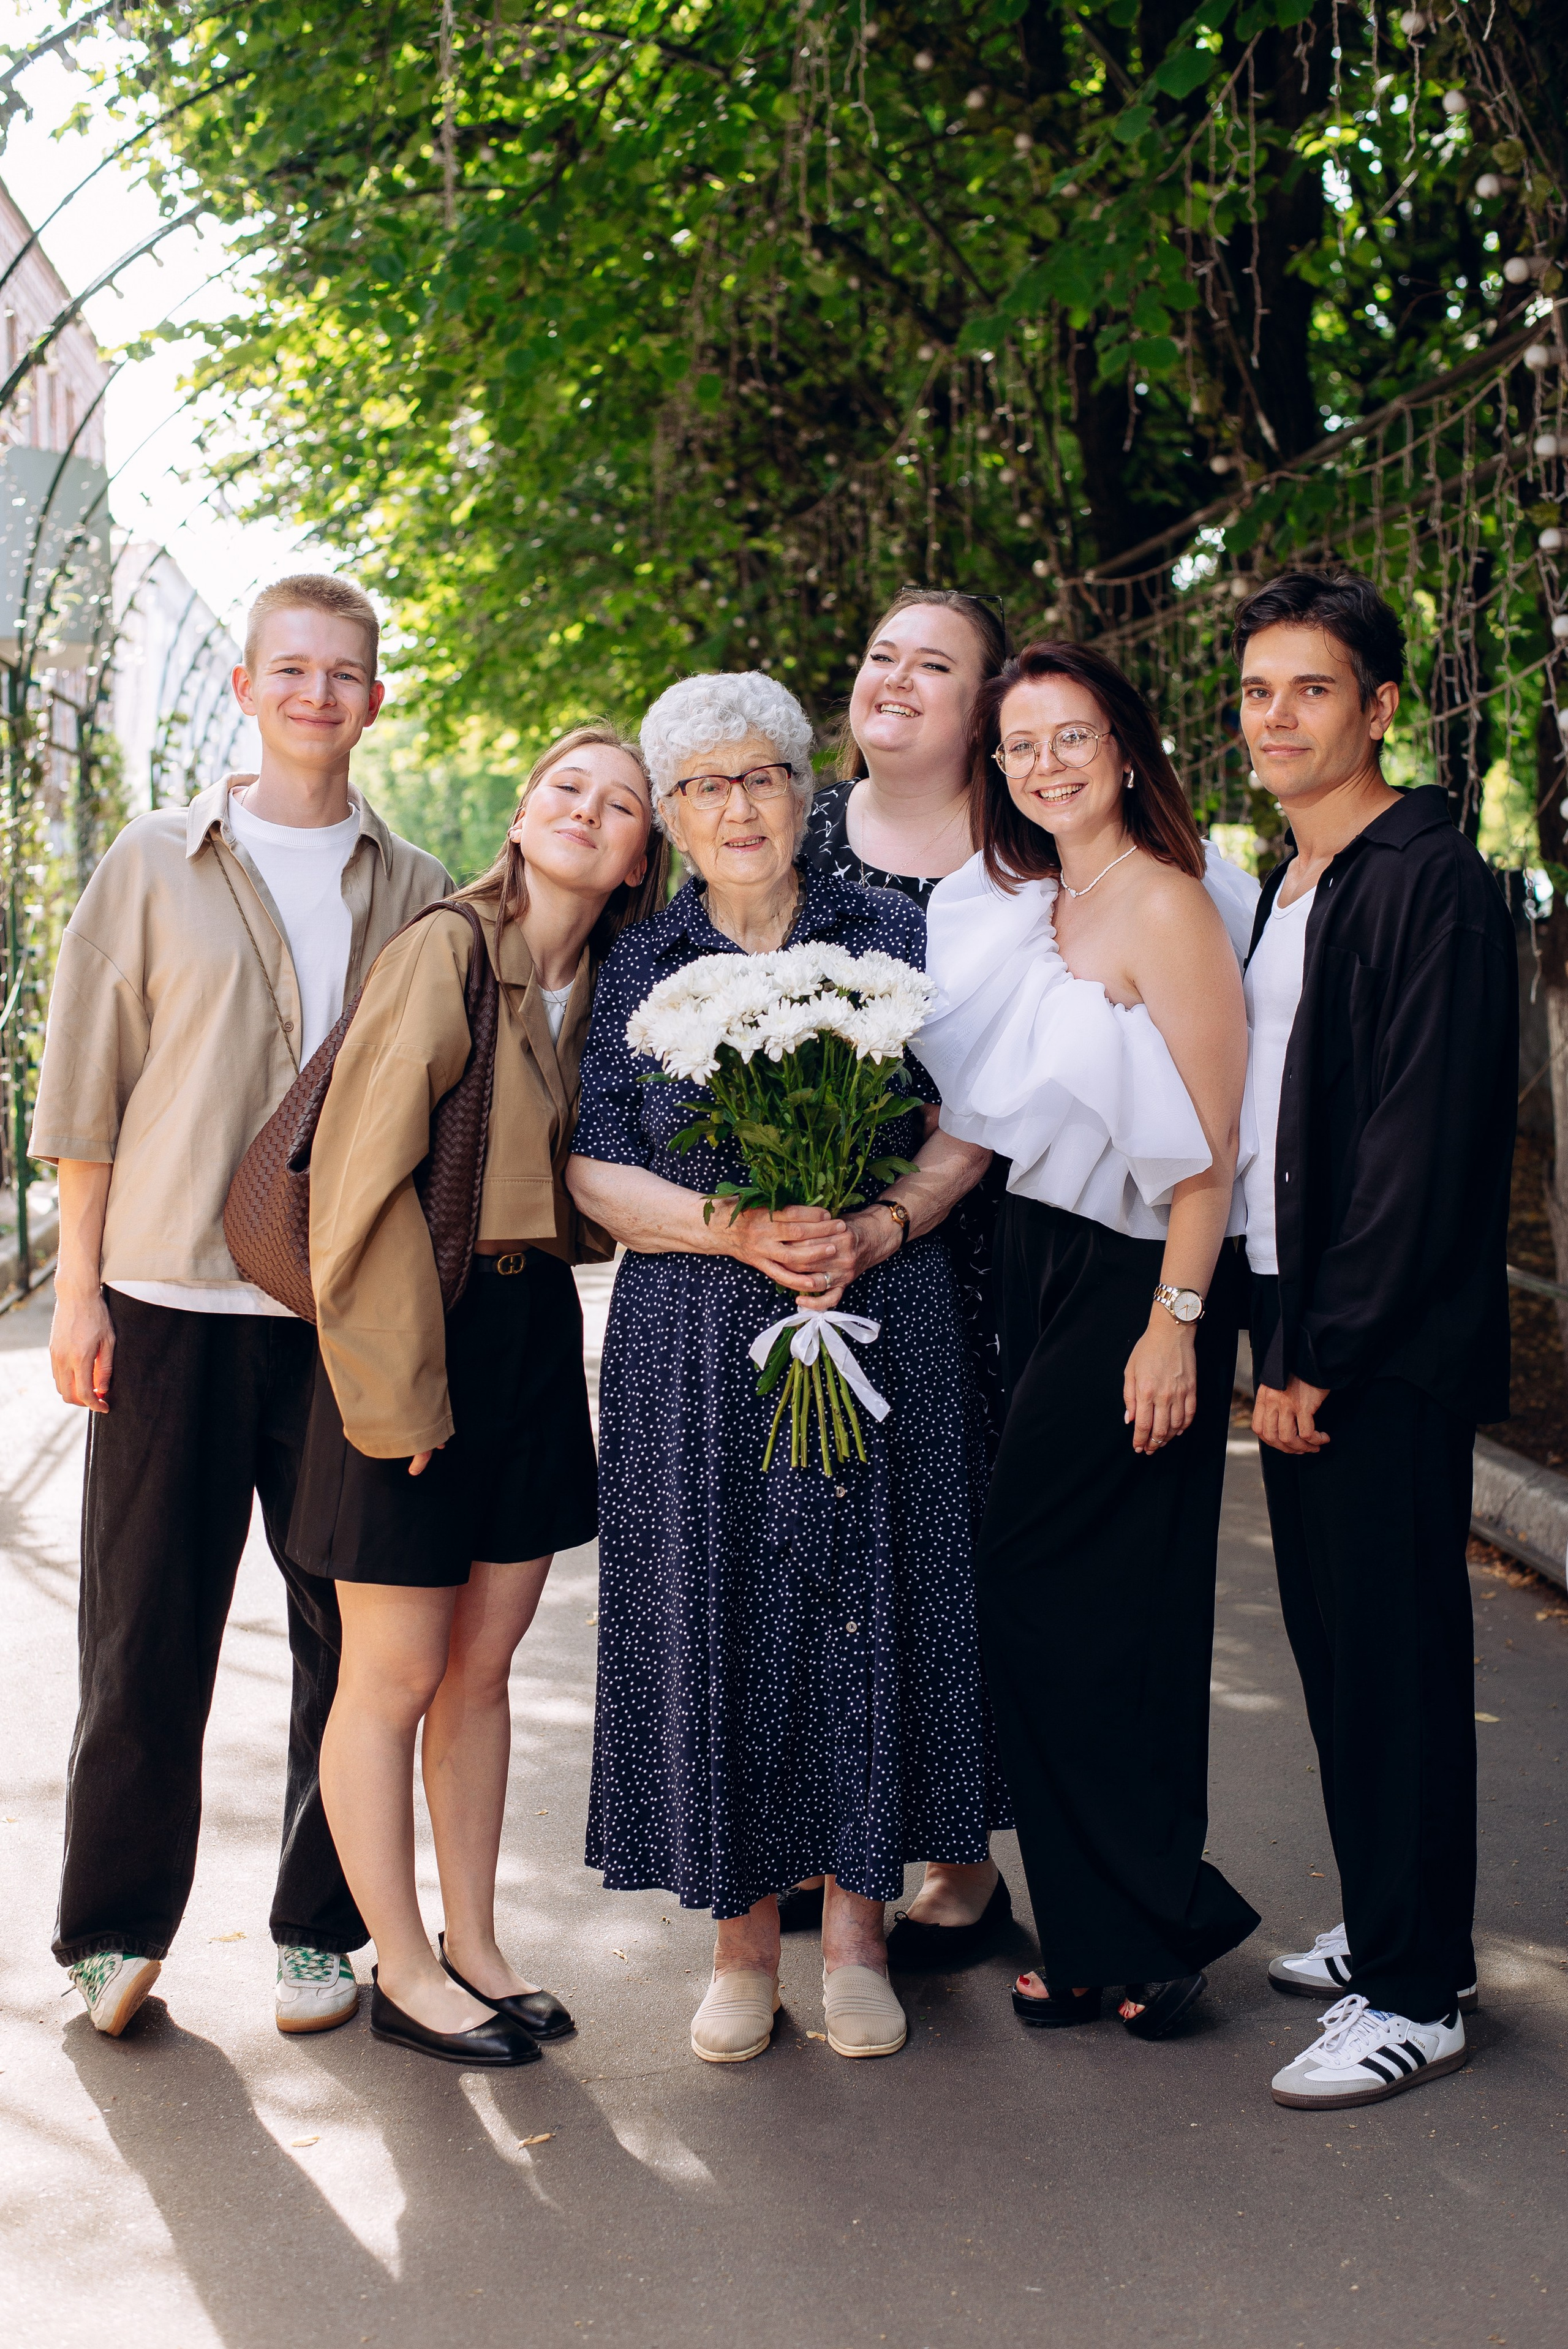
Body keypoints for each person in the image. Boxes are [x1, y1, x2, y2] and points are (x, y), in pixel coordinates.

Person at [567, 671, 1008, 2065]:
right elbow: (589, 1163)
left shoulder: (889, 927)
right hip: (696, 1339)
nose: (734, 806)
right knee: (720, 1613)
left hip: (876, 1314)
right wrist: (737, 1227)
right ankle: (741, 1946)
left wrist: (878, 1222)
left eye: (758, 775)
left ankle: (862, 1931)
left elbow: (975, 1120)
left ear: (805, 789)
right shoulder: (641, 958)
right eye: (700, 786)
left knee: (866, 1601)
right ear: (673, 819)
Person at [32, 574, 451, 2039]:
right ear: (245, 687)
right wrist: (79, 1290)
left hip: (343, 1314)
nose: (317, 695)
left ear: (374, 699)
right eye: (291, 669)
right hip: (163, 1298)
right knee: (146, 1626)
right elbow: (86, 1088)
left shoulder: (419, 887)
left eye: (345, 673)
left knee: (350, 1631)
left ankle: (322, 1930)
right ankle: (113, 1926)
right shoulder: (150, 866)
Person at [293, 725, 666, 2067]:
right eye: (567, 785)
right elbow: (355, 1189)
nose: (587, 809)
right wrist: (394, 1399)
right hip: (412, 1329)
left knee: (481, 1670)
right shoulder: (444, 950)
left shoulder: (614, 986)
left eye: (619, 803)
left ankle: (476, 1940)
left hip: (524, 1330)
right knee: (390, 1672)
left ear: (638, 856)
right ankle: (400, 1968)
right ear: (522, 813)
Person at [920, 639, 1261, 2042]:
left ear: (1122, 748)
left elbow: (1212, 1150)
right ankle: (1118, 1927)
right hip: (1044, 1256)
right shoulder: (1034, 906)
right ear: (996, 770)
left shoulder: (1165, 904)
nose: (1046, 763)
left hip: (1143, 1268)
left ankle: (1145, 1927)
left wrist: (1175, 1327)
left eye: (1071, 737)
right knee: (1067, 1601)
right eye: (1020, 745)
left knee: (1071, 1591)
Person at [1231, 572, 1515, 2112]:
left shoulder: (1428, 880)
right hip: (1304, 1321)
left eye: (1312, 691)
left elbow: (1415, 1151)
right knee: (1341, 1657)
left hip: (1375, 1349)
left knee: (1395, 1662)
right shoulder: (1295, 879)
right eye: (1259, 691)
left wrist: (1319, 1354)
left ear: (1380, 706)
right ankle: (1395, 1928)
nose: (1278, 718)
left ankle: (1418, 1993)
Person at [799, 587, 1015, 1968]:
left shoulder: (1025, 848)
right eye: (881, 654)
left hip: (997, 1245)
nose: (895, 680)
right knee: (840, 1559)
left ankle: (965, 1846)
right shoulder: (800, 827)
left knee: (968, 1550)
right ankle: (855, 1860)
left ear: (982, 704)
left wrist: (907, 1210)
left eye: (932, 665)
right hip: (813, 1243)